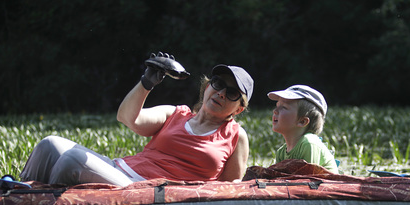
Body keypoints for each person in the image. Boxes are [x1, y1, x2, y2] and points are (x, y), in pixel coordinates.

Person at [20, 54, 252, 186]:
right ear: (208, 85)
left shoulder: (235, 136)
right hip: (119, 169)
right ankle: (16, 202)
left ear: (239, 109)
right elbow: (128, 117)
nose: (221, 93)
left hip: (146, 190)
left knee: (72, 159)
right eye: (218, 84)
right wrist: (146, 83)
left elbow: (230, 188)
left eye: (232, 93)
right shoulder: (176, 114)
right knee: (48, 144)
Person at [269, 85, 339, 173]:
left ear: (302, 121)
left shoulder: (309, 143)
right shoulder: (281, 152)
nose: (275, 111)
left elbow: (308, 181)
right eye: (277, 105)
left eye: (283, 107)